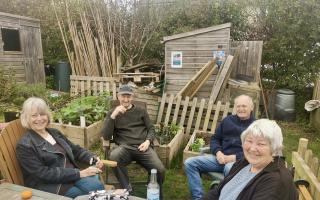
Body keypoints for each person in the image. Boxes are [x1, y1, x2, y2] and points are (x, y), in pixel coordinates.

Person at [16, 97, 105, 198]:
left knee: (97, 186)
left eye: (42, 114)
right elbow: (42, 174)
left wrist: (92, 158)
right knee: (80, 195)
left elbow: (75, 149)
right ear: (26, 118)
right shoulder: (25, 145)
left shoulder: (54, 133)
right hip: (51, 185)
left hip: (72, 176)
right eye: (34, 115)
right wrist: (79, 173)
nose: (39, 119)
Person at [201, 119, 298, 200]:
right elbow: (218, 192)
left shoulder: (276, 182)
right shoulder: (244, 163)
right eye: (249, 141)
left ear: (274, 148)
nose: (252, 148)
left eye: (261, 144)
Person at [184, 95, 255, 200]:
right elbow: (215, 139)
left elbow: (254, 151)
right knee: (190, 163)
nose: (240, 109)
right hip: (220, 159)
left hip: (240, 162)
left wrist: (233, 158)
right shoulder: (227, 121)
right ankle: (198, 197)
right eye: (238, 106)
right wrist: (218, 153)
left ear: (251, 107)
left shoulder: (255, 126)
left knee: (229, 168)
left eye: (244, 106)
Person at [101, 84, 165, 198]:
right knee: (114, 156)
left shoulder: (141, 111)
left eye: (128, 96)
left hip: (143, 147)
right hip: (124, 148)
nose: (126, 99)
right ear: (118, 96)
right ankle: (127, 188)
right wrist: (113, 116)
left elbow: (151, 128)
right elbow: (106, 136)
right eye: (123, 96)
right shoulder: (112, 113)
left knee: (159, 169)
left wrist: (148, 141)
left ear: (133, 97)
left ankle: (154, 192)